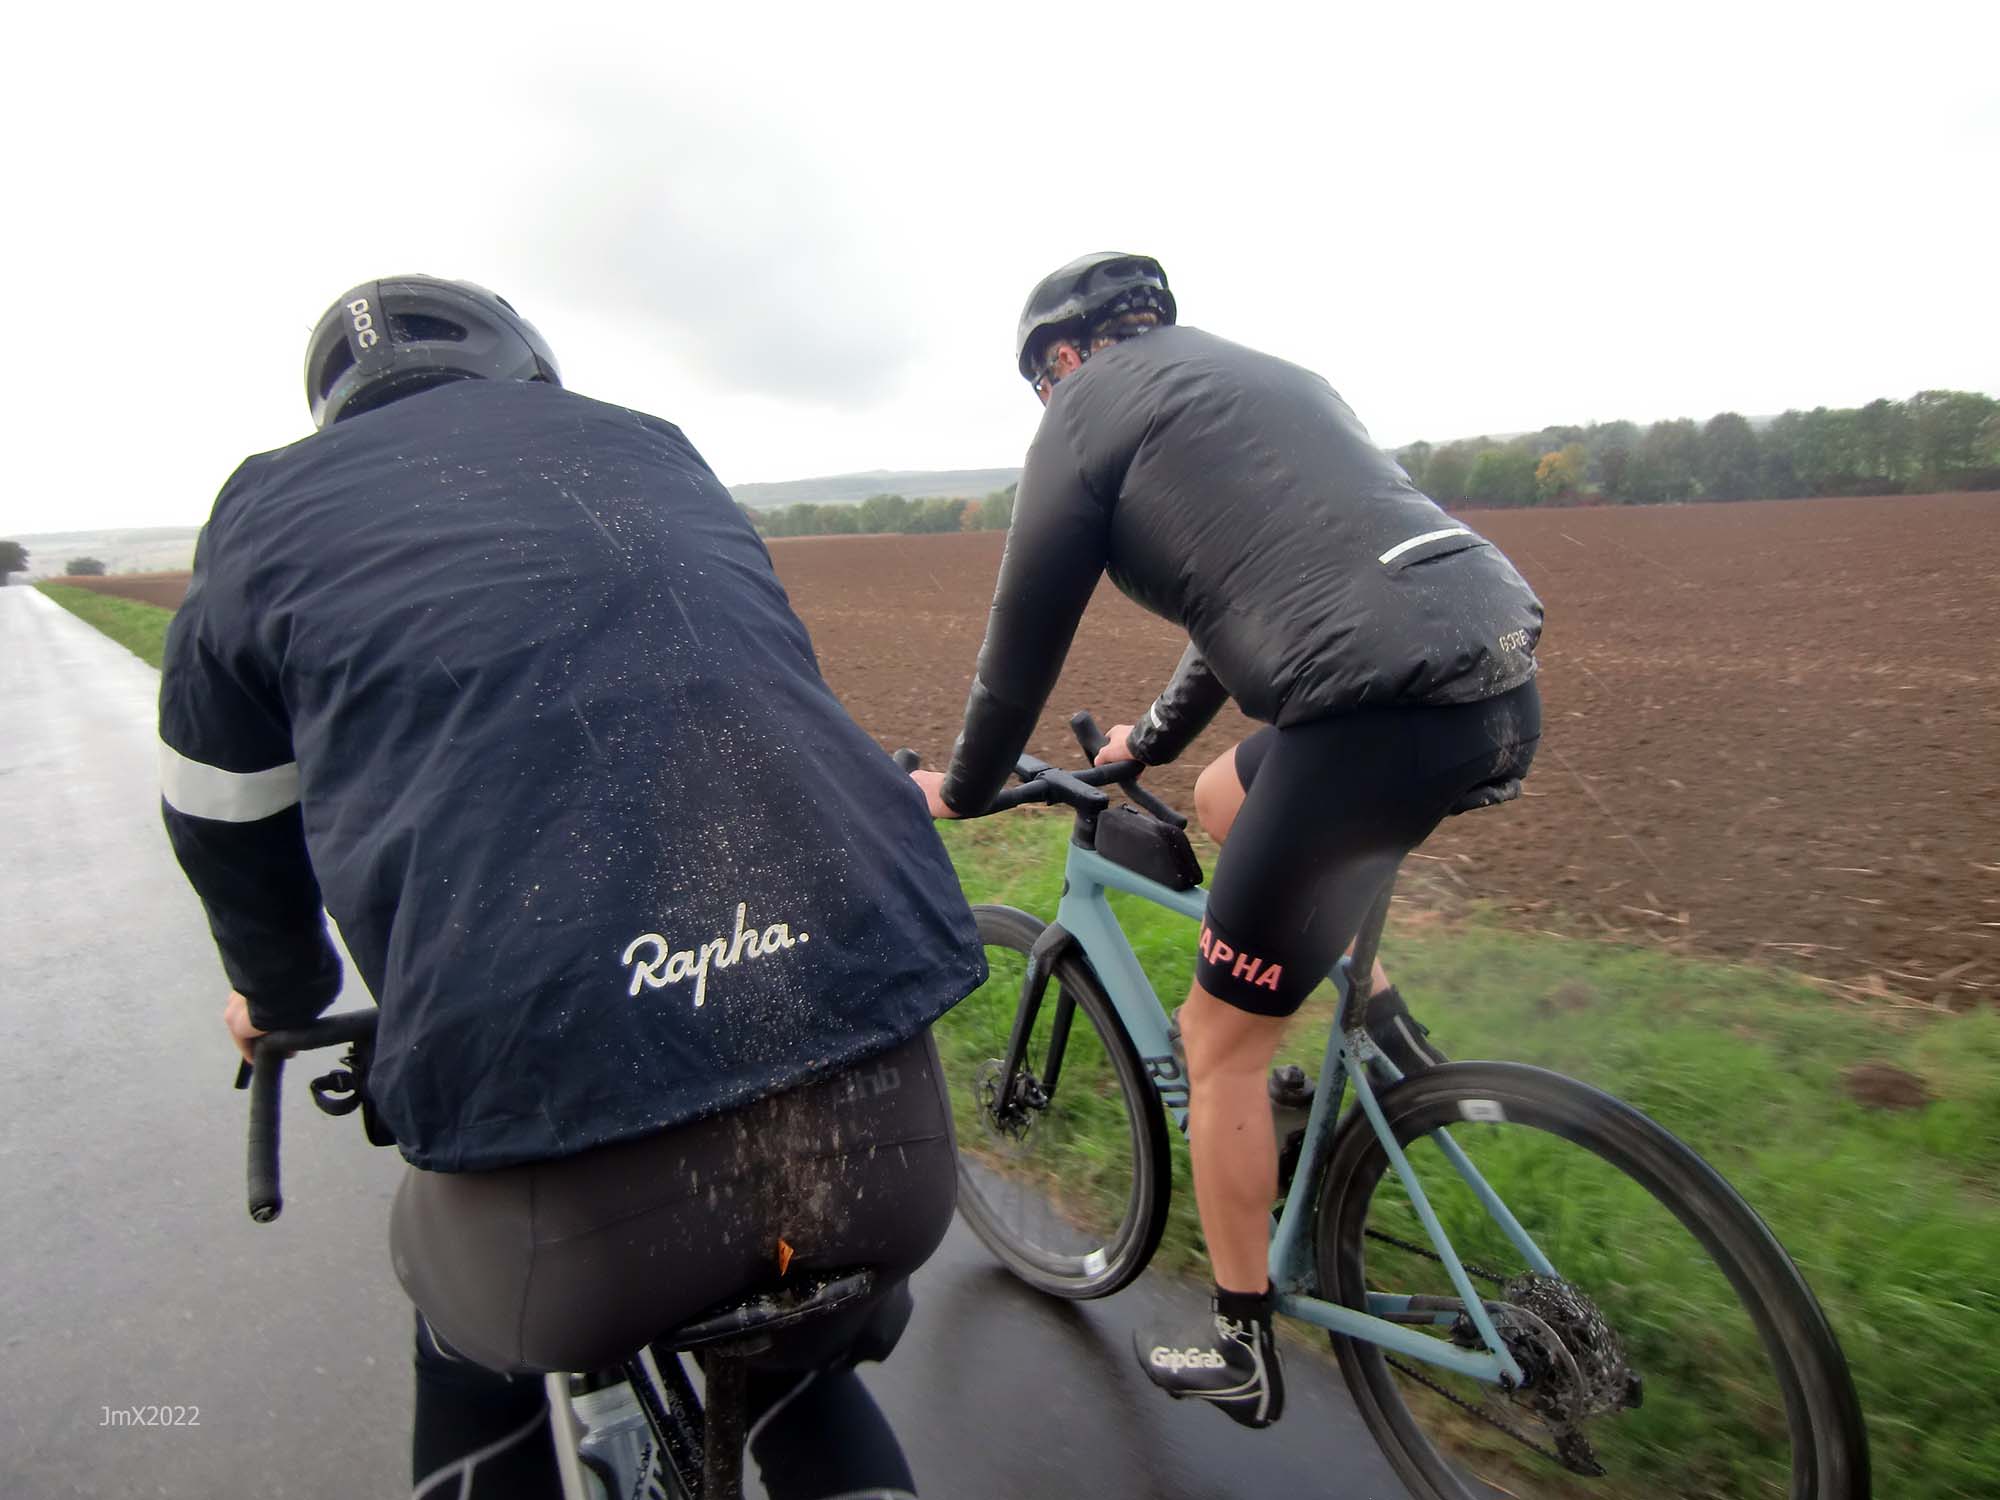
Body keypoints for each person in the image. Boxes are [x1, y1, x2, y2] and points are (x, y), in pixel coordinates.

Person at [160, 275, 985, 1498]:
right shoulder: (650, 447)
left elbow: (224, 811)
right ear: (527, 368)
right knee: (801, 1363)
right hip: (885, 1137)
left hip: (570, 1209)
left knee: (466, 1340)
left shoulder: (266, 509)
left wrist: (281, 995)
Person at [908, 252, 1543, 1429]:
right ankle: (1386, 1040)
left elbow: (1018, 652)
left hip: (1365, 726)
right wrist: (1143, 746)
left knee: (1216, 1042)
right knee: (1221, 797)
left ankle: (1243, 1346)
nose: (1050, 398)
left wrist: (964, 786)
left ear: (1059, 359)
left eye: (1043, 381)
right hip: (1495, 681)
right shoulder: (1262, 380)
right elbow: (1239, 599)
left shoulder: (1080, 417)